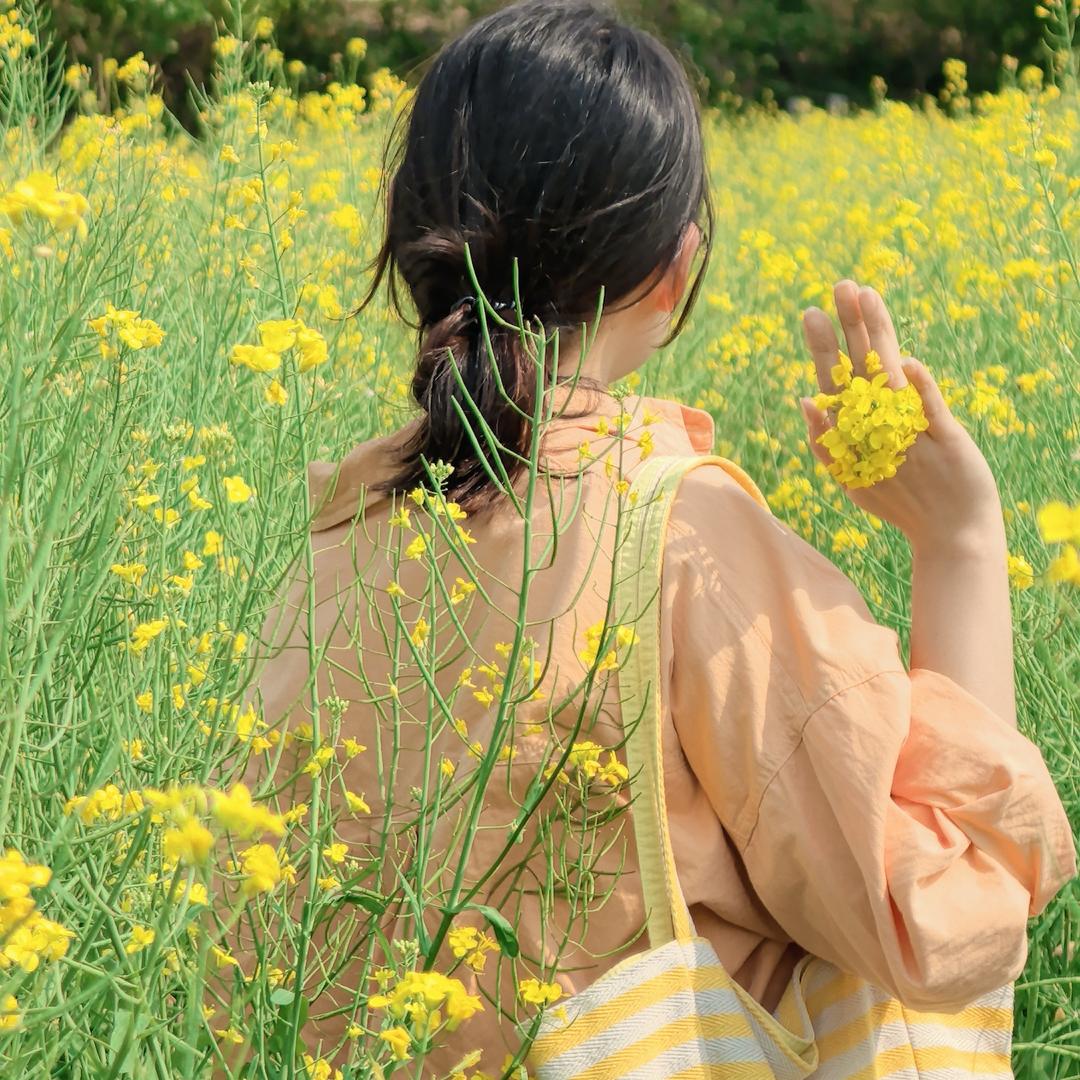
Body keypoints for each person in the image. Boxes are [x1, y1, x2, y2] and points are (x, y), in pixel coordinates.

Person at [243, 0, 1076, 1073]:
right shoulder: (682, 536)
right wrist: (960, 542)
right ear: (672, 268)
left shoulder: (341, 540)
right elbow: (934, 919)